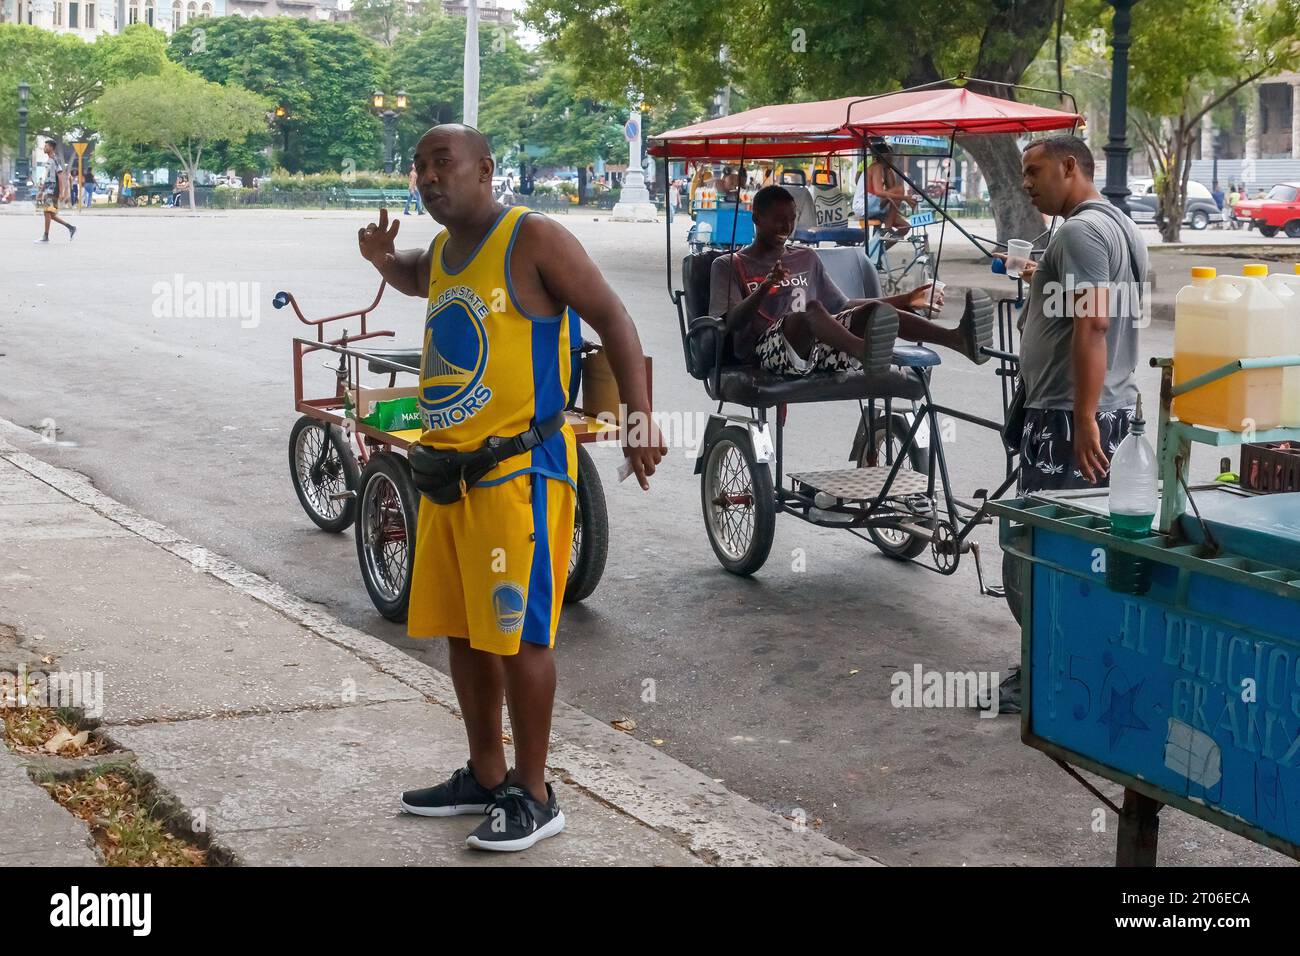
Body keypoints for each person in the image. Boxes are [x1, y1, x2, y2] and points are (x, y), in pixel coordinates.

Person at [356, 124, 664, 852]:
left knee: (520, 637)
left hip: (517, 475)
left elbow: (613, 316)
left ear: (486, 169)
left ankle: (534, 792)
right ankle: (487, 775)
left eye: (443, 163)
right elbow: (417, 277)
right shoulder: (444, 251)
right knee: (464, 631)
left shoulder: (532, 238)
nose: (429, 178)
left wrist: (641, 416)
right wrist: (382, 260)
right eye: (419, 165)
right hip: (446, 474)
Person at [995, 133, 1147, 713]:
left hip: (1070, 418)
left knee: (1038, 546)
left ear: (1068, 166)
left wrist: (1082, 416)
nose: (1026, 183)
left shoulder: (1082, 230)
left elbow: (1095, 325)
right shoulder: (1118, 225)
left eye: (1033, 172)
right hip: (1105, 410)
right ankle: (1081, 661)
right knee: (1085, 546)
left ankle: (1046, 669)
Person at [708, 184, 993, 379]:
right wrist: (767, 286)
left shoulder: (806, 257)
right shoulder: (730, 264)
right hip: (763, 354)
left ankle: (957, 339)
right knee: (812, 311)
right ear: (756, 217)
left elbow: (843, 305)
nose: (786, 227)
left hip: (819, 348)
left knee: (874, 313)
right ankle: (862, 351)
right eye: (778, 220)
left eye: (791, 219)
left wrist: (904, 300)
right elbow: (731, 322)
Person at [863, 140, 913, 238]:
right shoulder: (876, 166)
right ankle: (888, 227)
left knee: (905, 227)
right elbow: (879, 192)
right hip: (867, 205)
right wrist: (905, 197)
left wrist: (888, 171)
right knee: (899, 189)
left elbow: (891, 191)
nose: (892, 157)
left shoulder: (885, 170)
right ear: (884, 155)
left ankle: (879, 252)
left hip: (877, 205)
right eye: (890, 155)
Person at [35, 141, 76, 243]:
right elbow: (48, 177)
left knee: (47, 212)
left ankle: (45, 236)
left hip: (53, 190)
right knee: (51, 214)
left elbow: (60, 175)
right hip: (49, 189)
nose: (44, 147)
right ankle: (71, 227)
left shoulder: (55, 159)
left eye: (46, 146)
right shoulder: (49, 160)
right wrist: (41, 190)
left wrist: (62, 192)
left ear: (51, 148)